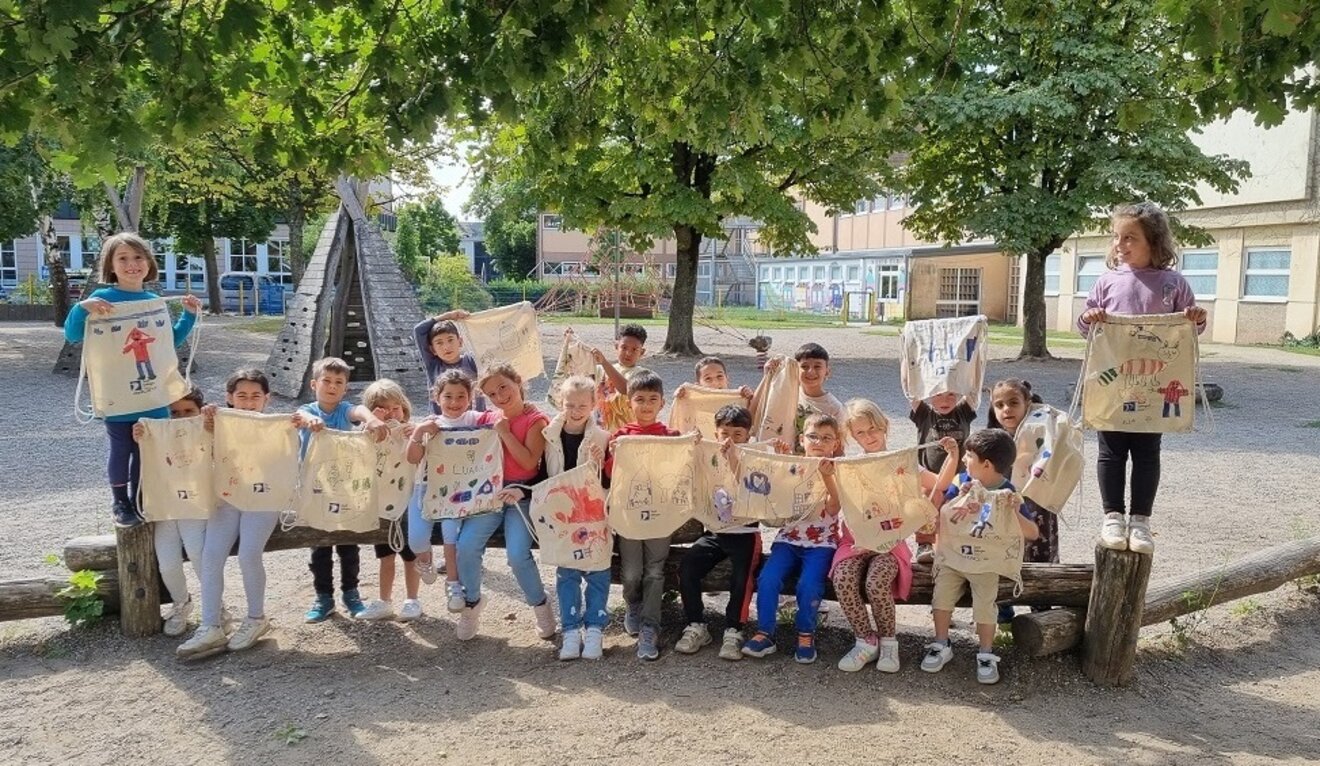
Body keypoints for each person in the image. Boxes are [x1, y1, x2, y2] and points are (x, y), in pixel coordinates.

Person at [1079, 201, 1207, 555]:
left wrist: (1196, 318)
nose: (1120, 244)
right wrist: (1089, 318)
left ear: (1153, 240)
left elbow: (1190, 331)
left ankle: (1140, 521)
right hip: (1113, 385)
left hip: (1154, 387)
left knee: (1148, 452)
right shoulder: (1106, 282)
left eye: (1130, 237)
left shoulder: (1174, 284)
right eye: (1116, 237)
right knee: (1111, 452)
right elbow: (1085, 327)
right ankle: (1112, 516)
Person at [63, 233, 201, 528]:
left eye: (138, 257)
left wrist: (189, 316)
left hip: (154, 396)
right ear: (110, 265)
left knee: (147, 451)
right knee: (122, 448)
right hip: (119, 396)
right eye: (123, 258)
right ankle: (120, 502)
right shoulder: (101, 300)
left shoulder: (153, 301)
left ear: (149, 262)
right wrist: (82, 308)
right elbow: (72, 335)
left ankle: (141, 499)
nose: (131, 264)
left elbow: (167, 343)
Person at [832, 399, 960, 673]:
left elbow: (941, 484)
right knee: (843, 578)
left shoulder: (902, 462)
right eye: (860, 433)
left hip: (889, 544)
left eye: (873, 429)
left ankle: (889, 642)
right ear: (852, 436)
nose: (869, 437)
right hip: (855, 542)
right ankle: (865, 640)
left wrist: (953, 456)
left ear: (884, 426)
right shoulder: (848, 466)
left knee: (877, 581)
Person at [177, 369, 285, 658]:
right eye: (242, 396)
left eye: (255, 396)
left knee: (249, 554)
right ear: (230, 398)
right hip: (227, 496)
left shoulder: (275, 425)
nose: (248, 403)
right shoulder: (217, 422)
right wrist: (207, 424)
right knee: (211, 556)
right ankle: (210, 625)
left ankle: (256, 618)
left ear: (266, 399)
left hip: (263, 497)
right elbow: (192, 448)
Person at [921, 429, 1040, 684]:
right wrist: (959, 498)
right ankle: (941, 642)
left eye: (969, 455)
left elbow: (1032, 532)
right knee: (941, 597)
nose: (965, 459)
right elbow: (941, 516)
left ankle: (985, 652)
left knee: (985, 605)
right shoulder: (961, 481)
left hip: (987, 562)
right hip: (954, 557)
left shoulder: (1008, 492)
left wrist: (1012, 511)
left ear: (986, 464)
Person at [451, 363, 555, 641]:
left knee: (517, 555)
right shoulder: (489, 418)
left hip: (521, 494)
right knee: (466, 546)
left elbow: (529, 462)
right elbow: (456, 422)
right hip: (489, 494)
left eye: (503, 388)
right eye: (492, 394)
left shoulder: (536, 420)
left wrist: (505, 432)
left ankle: (540, 604)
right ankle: (472, 603)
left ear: (518, 381)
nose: (500, 396)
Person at [741, 413, 844, 664]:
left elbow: (833, 507)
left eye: (826, 438)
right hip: (788, 539)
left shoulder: (838, 470)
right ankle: (765, 631)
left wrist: (827, 476)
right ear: (801, 439)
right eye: (813, 436)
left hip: (821, 543)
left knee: (809, 584)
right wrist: (780, 460)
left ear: (836, 443)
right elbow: (774, 494)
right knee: (768, 579)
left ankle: (806, 632)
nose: (818, 442)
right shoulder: (793, 465)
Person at [294, 357, 388, 623]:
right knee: (319, 548)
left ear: (345, 388)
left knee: (348, 545)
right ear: (314, 384)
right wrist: (311, 421)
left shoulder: (345, 409)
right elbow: (300, 417)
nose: (332, 386)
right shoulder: (307, 409)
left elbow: (358, 411)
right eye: (327, 381)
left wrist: (371, 419)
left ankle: (351, 594)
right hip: (315, 490)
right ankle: (323, 597)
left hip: (345, 489)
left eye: (339, 382)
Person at [404, 370, 499, 616]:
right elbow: (412, 458)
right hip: (426, 488)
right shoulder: (430, 424)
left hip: (457, 490)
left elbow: (500, 417)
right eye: (448, 396)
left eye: (460, 396)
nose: (454, 402)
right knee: (416, 540)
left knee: (451, 532)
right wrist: (418, 433)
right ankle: (425, 560)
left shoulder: (475, 419)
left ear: (470, 398)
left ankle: (453, 584)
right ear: (437, 397)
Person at [602, 369, 680, 661]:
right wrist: (613, 456)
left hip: (660, 516)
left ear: (662, 403)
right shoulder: (621, 436)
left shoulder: (671, 437)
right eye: (640, 399)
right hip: (630, 517)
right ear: (629, 402)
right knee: (632, 571)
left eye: (652, 399)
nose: (646, 405)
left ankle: (650, 626)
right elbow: (610, 477)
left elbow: (680, 471)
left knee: (655, 571)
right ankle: (632, 602)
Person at [674, 404, 761, 661]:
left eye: (737, 435)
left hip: (745, 532)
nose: (729, 440)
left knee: (742, 577)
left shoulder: (755, 457)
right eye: (724, 434)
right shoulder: (709, 454)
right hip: (715, 531)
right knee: (688, 567)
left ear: (748, 436)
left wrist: (733, 457)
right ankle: (696, 624)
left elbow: (752, 489)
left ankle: (734, 629)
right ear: (716, 433)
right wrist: (693, 448)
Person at [539, 375, 609, 660]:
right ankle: (570, 630)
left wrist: (599, 462)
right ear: (560, 402)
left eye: (582, 405)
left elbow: (607, 482)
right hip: (563, 514)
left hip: (593, 515)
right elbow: (542, 474)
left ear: (593, 404)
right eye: (570, 404)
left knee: (598, 570)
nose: (576, 410)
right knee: (566, 572)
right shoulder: (548, 434)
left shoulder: (602, 437)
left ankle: (595, 629)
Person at [131, 387, 208, 637]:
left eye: (188, 411)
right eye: (174, 412)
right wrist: (142, 436)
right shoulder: (158, 434)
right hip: (165, 505)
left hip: (194, 504)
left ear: (199, 411)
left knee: (198, 553)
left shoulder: (208, 431)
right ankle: (181, 603)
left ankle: (216, 607)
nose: (181, 417)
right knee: (167, 563)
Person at [356, 379, 427, 623]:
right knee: (385, 556)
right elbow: (357, 453)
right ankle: (384, 601)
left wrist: (416, 436)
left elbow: (425, 458)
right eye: (383, 409)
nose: (390, 414)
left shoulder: (411, 432)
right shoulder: (369, 434)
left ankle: (412, 599)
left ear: (404, 409)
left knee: (410, 555)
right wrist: (369, 427)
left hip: (407, 502)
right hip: (381, 505)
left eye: (395, 408)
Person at [908, 391, 977, 563]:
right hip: (931, 478)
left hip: (958, 477)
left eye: (951, 394)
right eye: (938, 394)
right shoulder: (925, 413)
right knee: (927, 505)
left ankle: (951, 547)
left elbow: (973, 389)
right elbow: (912, 391)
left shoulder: (963, 411)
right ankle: (924, 544)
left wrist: (969, 374)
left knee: (956, 511)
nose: (944, 400)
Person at [759, 343, 845, 454]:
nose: (811, 371)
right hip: (783, 460)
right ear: (796, 369)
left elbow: (838, 450)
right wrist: (767, 376)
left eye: (817, 366)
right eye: (804, 366)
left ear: (827, 371)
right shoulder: (785, 394)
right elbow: (756, 415)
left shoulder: (834, 407)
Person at [413, 310, 484, 413]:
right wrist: (449, 315)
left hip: (475, 418)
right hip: (443, 420)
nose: (446, 347)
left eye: (450, 340)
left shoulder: (471, 361)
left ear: (460, 342)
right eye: (439, 343)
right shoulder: (433, 365)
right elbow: (419, 330)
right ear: (432, 349)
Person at [592, 323, 648, 432]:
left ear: (642, 352)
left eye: (634, 349)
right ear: (616, 346)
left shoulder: (643, 375)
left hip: (627, 434)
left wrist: (604, 362)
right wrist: (570, 344)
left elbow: (625, 388)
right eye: (624, 347)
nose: (628, 353)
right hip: (600, 432)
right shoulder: (600, 370)